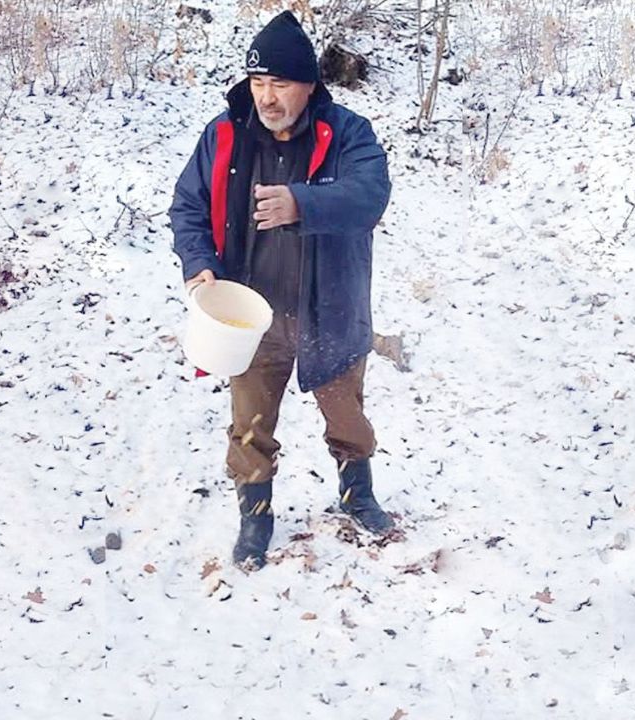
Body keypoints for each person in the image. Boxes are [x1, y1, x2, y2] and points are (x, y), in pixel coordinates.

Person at [169, 12, 396, 569]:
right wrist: (200, 266)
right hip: (252, 313)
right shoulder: (224, 135)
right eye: (258, 83)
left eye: (281, 84)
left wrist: (303, 203)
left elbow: (371, 197)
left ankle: (356, 494)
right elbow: (188, 207)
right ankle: (255, 515)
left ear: (310, 85)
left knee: (346, 417)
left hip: (330, 309)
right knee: (249, 427)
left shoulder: (347, 134)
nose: (267, 98)